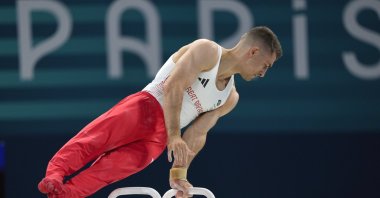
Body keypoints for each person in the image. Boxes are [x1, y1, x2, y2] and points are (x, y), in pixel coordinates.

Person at [38, 26, 282, 198]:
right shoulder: (207, 51)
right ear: (253, 52)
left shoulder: (230, 97)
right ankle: (55, 175)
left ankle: (65, 195)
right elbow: (173, 85)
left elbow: (197, 133)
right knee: (93, 141)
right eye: (266, 65)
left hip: (159, 140)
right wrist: (175, 134)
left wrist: (179, 173)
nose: (264, 72)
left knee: (108, 172)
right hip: (146, 107)